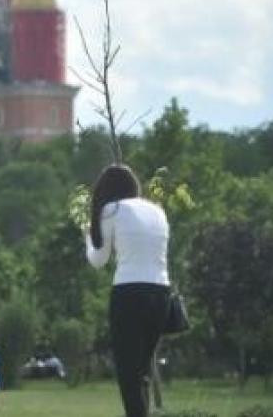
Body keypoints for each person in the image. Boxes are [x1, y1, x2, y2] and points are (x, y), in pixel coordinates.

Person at [85, 163, 170, 417]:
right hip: (161, 292)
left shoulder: (111, 210)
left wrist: (87, 239)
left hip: (129, 292)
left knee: (128, 372)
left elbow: (98, 260)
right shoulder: (157, 211)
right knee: (143, 369)